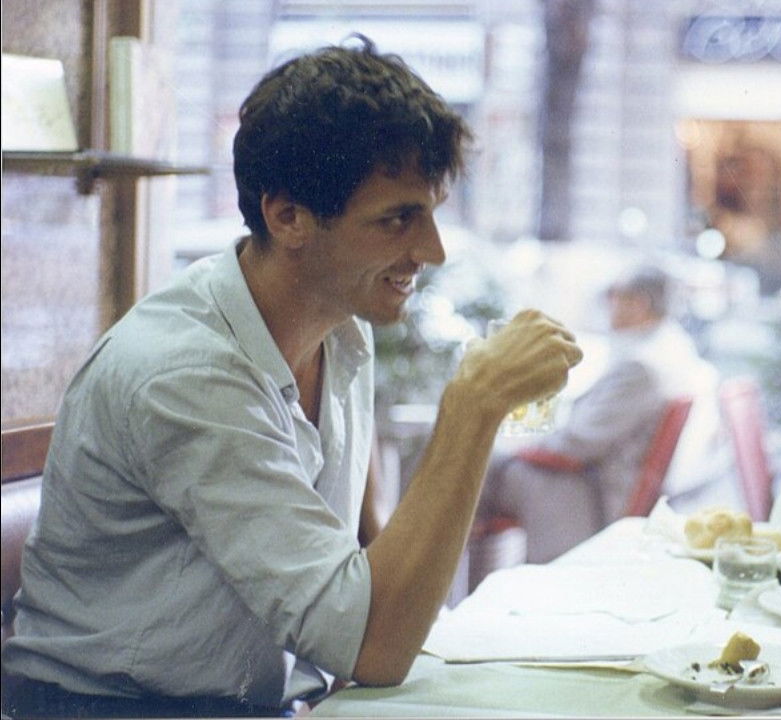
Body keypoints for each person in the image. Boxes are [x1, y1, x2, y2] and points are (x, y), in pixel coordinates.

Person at [2, 37, 582, 718]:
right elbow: (373, 646)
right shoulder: (186, 373)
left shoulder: (344, 329)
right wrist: (473, 405)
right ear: (287, 217)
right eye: (398, 218)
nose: (432, 250)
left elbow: (365, 558)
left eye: (431, 213)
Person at [477, 265, 725, 563]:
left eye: (613, 296)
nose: (608, 305)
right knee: (491, 462)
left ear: (638, 304)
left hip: (593, 493)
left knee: (477, 465)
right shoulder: (672, 347)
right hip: (615, 482)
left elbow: (575, 444)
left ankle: (449, 574)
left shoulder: (641, 366)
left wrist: (513, 445)